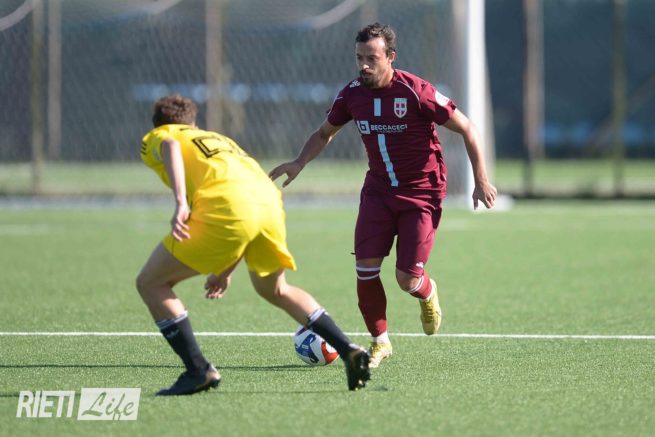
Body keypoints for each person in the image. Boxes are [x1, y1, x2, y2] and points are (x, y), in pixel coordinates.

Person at [270, 23, 497, 368]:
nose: (363, 65)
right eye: (359, 58)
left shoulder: (415, 91)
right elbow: (324, 133)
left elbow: (467, 128)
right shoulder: (351, 95)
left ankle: (427, 291)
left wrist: (481, 179)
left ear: (390, 57)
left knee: (407, 279)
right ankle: (380, 341)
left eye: (371, 58)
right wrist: (299, 161)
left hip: (421, 193)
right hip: (377, 191)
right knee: (365, 269)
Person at [137, 95, 370, 395]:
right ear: (194, 124)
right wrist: (225, 271)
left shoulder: (162, 135)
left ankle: (198, 370)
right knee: (275, 289)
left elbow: (169, 145)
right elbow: (243, 208)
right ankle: (348, 349)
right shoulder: (218, 140)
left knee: (151, 283)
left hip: (229, 207)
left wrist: (181, 202)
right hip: (268, 203)